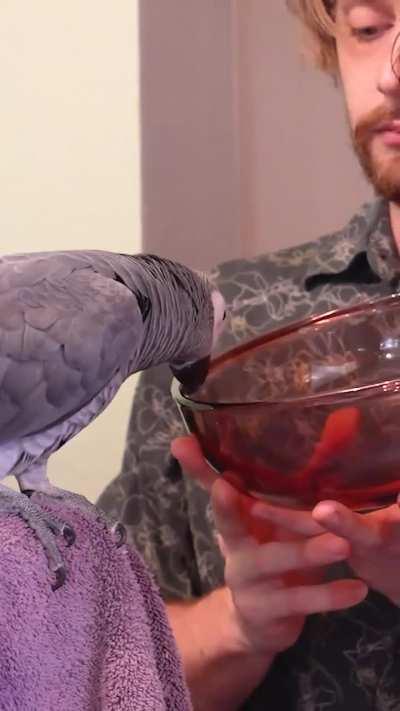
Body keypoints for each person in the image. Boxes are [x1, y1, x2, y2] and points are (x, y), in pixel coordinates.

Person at [98, 1, 400, 708]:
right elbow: (94, 673)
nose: (393, 68)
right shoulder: (216, 332)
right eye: (368, 25)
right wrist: (239, 622)